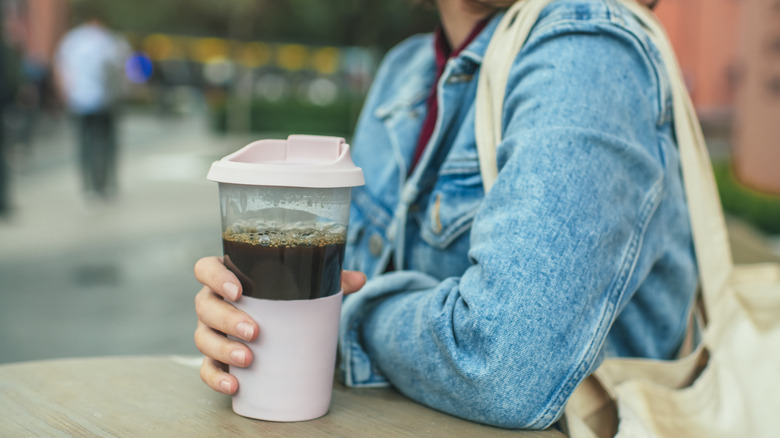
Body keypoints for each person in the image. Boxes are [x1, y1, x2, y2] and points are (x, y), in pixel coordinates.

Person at [194, 0, 696, 430]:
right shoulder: (404, 71)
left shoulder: (588, 43)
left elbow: (502, 367)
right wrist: (241, 329)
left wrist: (343, 320)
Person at [54, 5, 129, 201]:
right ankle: (105, 184)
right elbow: (120, 69)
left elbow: (61, 69)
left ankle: (88, 187)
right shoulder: (108, 39)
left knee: (83, 146)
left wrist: (65, 95)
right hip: (103, 101)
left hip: (78, 100)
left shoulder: (71, 39)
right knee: (105, 144)